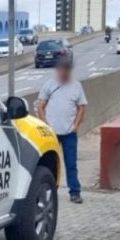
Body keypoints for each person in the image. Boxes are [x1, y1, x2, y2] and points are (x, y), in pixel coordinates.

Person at [37, 55, 87, 203]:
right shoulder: (49, 85)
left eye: (67, 68)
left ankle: (75, 191)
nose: (64, 71)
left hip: (69, 133)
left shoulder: (76, 86)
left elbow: (82, 107)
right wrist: (46, 125)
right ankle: (48, 191)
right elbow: (40, 105)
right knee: (49, 164)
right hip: (51, 134)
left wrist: (75, 126)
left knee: (71, 163)